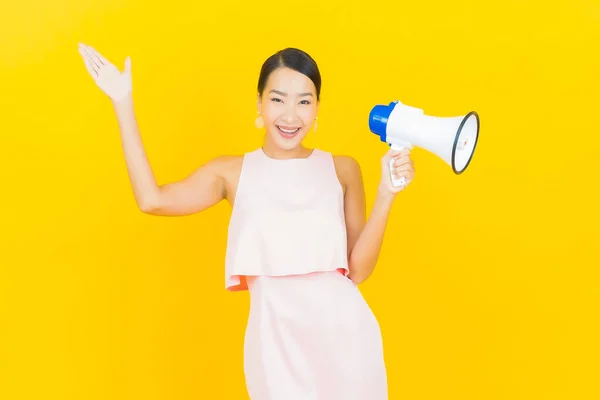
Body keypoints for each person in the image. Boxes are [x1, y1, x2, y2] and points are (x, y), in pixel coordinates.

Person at [77, 42, 415, 400]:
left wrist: (387, 193)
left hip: (347, 339)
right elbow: (152, 200)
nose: (290, 115)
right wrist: (122, 102)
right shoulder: (232, 173)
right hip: (274, 344)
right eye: (277, 99)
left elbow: (358, 270)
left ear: (317, 108)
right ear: (259, 103)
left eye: (304, 101)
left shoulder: (343, 169)